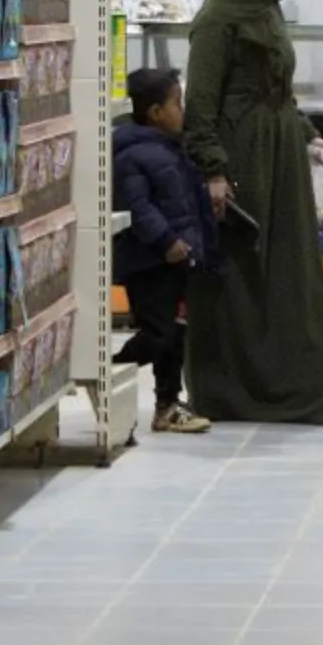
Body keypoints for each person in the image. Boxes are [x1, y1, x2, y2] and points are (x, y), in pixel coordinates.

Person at [182, 0, 323, 425]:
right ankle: (234, 390)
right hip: (242, 154)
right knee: (246, 273)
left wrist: (306, 132)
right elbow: (200, 102)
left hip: (280, 153)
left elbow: (279, 88)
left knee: (290, 273)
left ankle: (302, 384)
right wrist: (213, 169)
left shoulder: (265, 8)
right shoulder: (218, 17)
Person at [110, 67, 215, 436]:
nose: (182, 111)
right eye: (177, 104)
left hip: (177, 259)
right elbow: (138, 208)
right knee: (158, 336)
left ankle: (168, 405)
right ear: (155, 112)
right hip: (149, 262)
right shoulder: (132, 155)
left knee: (175, 336)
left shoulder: (170, 150)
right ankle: (105, 369)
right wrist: (166, 241)